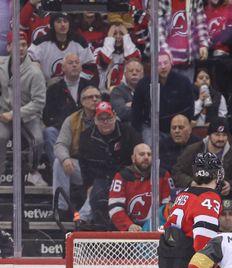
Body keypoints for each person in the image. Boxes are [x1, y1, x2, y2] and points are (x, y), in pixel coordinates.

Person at [77, 101, 142, 229]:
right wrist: (88, 184)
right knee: (97, 195)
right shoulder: (86, 137)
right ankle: (92, 226)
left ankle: (84, 217)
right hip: (99, 177)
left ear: (115, 116)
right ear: (95, 120)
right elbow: (83, 163)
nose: (105, 122)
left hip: (125, 176)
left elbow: (137, 155)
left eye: (109, 118)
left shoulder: (128, 132)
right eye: (101, 119)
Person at [0, 31, 46, 185]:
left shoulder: (35, 71)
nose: (20, 48)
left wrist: (14, 114)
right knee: (0, 136)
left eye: (24, 45)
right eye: (16, 45)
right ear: (8, 47)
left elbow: (39, 102)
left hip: (27, 115)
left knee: (38, 139)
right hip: (3, 113)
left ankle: (33, 170)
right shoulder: (0, 65)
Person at [52, 85, 101, 221]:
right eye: (90, 97)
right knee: (59, 162)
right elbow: (60, 144)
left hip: (102, 168)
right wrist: (65, 158)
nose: (95, 99)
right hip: (81, 166)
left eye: (97, 96)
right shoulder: (72, 120)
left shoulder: (109, 117)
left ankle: (82, 220)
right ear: (82, 102)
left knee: (100, 183)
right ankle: (61, 208)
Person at [172, 117, 232, 205]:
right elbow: (177, 172)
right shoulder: (193, 150)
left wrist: (230, 185)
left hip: (221, 199)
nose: (221, 139)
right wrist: (191, 183)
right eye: (217, 134)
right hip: (194, 195)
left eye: (224, 135)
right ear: (209, 135)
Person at [131, 50, 194, 141]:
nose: (163, 66)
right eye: (159, 64)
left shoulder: (183, 81)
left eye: (165, 63)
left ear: (171, 63)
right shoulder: (143, 84)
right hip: (151, 127)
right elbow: (136, 110)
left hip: (177, 126)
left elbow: (189, 107)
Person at [108, 143, 172, 232]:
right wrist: (128, 225)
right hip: (129, 231)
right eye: (141, 154)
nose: (146, 157)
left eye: (149, 154)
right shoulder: (122, 176)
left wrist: (157, 225)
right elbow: (115, 208)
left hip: (157, 229)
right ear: (133, 158)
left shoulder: (163, 175)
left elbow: (168, 206)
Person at [27, 11, 96, 83]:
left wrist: (72, 79)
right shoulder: (41, 43)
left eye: (65, 21)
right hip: (46, 87)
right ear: (52, 25)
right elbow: (27, 62)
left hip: (75, 85)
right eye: (59, 22)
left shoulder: (79, 42)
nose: (63, 24)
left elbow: (90, 67)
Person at [158, 0, 210, 81]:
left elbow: (200, 22)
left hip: (188, 61)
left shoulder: (195, 1)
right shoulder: (163, 1)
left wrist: (203, 44)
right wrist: (164, 52)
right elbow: (158, 27)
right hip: (167, 62)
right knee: (166, 92)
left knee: (186, 91)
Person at [95, 22, 141, 93]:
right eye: (114, 34)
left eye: (121, 33)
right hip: (104, 93)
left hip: (128, 93)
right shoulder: (98, 51)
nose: (118, 37)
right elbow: (103, 62)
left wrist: (126, 35)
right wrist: (110, 39)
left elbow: (133, 62)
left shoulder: (134, 50)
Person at [110, 58, 144, 128]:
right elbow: (122, 113)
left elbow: (154, 112)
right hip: (126, 130)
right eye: (131, 71)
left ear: (142, 74)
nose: (134, 73)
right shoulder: (117, 91)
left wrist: (131, 104)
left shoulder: (149, 89)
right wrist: (142, 106)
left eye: (138, 71)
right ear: (125, 74)